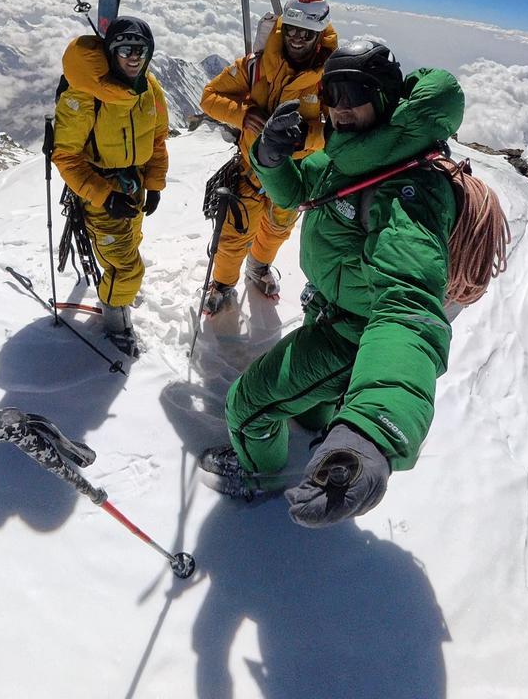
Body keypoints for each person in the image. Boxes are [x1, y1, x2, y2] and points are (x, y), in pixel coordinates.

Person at [199, 37, 465, 526]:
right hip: (332, 310)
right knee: (313, 398)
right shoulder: (357, 156)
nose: (338, 110)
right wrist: (272, 159)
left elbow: (408, 311)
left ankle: (257, 476)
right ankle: (318, 417)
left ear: (384, 97)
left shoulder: (404, 190)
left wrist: (374, 430)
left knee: (249, 404)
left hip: (353, 336)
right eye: (330, 94)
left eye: (353, 94)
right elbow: (301, 189)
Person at [198, 0, 337, 312]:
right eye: (292, 29)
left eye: (307, 33)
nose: (297, 39)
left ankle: (257, 267)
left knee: (276, 231)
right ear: (283, 28)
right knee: (233, 236)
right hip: (250, 171)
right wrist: (243, 115)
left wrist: (307, 138)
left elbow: (339, 128)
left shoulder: (331, 78)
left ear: (320, 34)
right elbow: (210, 97)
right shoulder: (255, 66)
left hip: (293, 177)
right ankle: (223, 282)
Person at [51, 16, 169, 357]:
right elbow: (67, 157)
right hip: (100, 193)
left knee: (130, 244)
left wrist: (155, 183)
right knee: (126, 267)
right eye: (124, 50)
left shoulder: (151, 88)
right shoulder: (85, 96)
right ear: (110, 53)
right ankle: (115, 319)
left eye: (140, 50)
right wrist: (103, 195)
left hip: (134, 189)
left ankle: (118, 291)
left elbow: (158, 139)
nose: (133, 57)